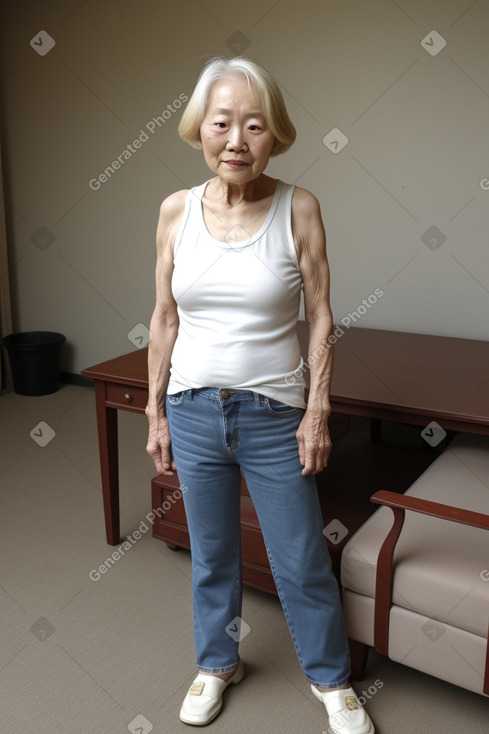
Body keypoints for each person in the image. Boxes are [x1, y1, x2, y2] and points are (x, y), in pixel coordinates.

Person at [145, 56, 375, 734]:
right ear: (199, 129)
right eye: (222, 123)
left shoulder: (297, 207)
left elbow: (323, 317)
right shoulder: (174, 212)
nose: (237, 140)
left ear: (274, 133)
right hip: (191, 410)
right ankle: (217, 664)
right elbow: (162, 317)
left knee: (300, 556)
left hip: (274, 414)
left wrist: (317, 411)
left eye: (254, 125)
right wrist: (155, 412)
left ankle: (330, 679)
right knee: (211, 553)